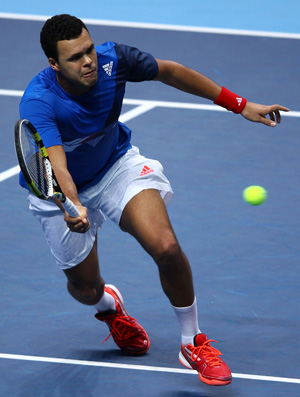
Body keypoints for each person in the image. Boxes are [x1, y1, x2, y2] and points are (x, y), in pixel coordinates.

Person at [18, 14, 289, 387]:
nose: (88, 62)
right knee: (85, 289)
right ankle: (108, 306)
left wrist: (237, 103)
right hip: (62, 191)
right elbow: (58, 164)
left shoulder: (114, 61)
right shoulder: (39, 101)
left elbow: (171, 71)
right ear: (53, 63)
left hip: (114, 166)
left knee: (166, 246)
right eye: (75, 58)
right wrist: (72, 204)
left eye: (89, 50)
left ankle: (191, 342)